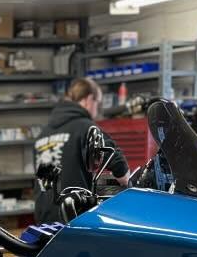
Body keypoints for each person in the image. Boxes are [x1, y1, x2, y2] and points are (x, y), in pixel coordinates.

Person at [32, 78, 128, 223]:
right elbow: (122, 170)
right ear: (89, 99)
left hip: (44, 223)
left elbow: (46, 182)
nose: (97, 109)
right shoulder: (86, 128)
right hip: (72, 220)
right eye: (98, 103)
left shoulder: (42, 135)